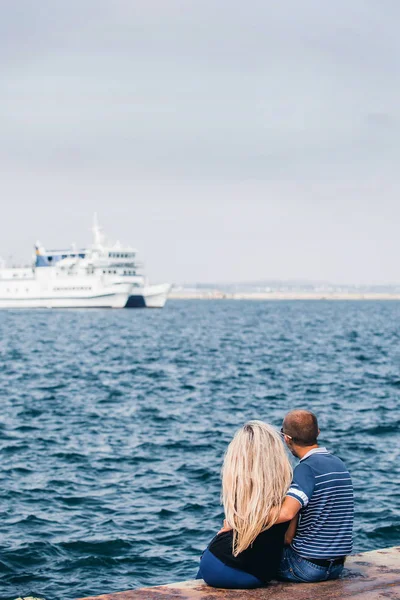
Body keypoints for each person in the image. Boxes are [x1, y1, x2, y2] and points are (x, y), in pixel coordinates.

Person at [196, 420, 292, 588]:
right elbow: (288, 539)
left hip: (213, 563)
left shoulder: (242, 487)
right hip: (255, 574)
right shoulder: (290, 491)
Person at [277, 409, 354, 583]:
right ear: (317, 433)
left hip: (306, 567)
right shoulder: (339, 464)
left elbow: (287, 513)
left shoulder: (306, 469)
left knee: (255, 559)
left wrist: (245, 519)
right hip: (336, 567)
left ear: (286, 438)